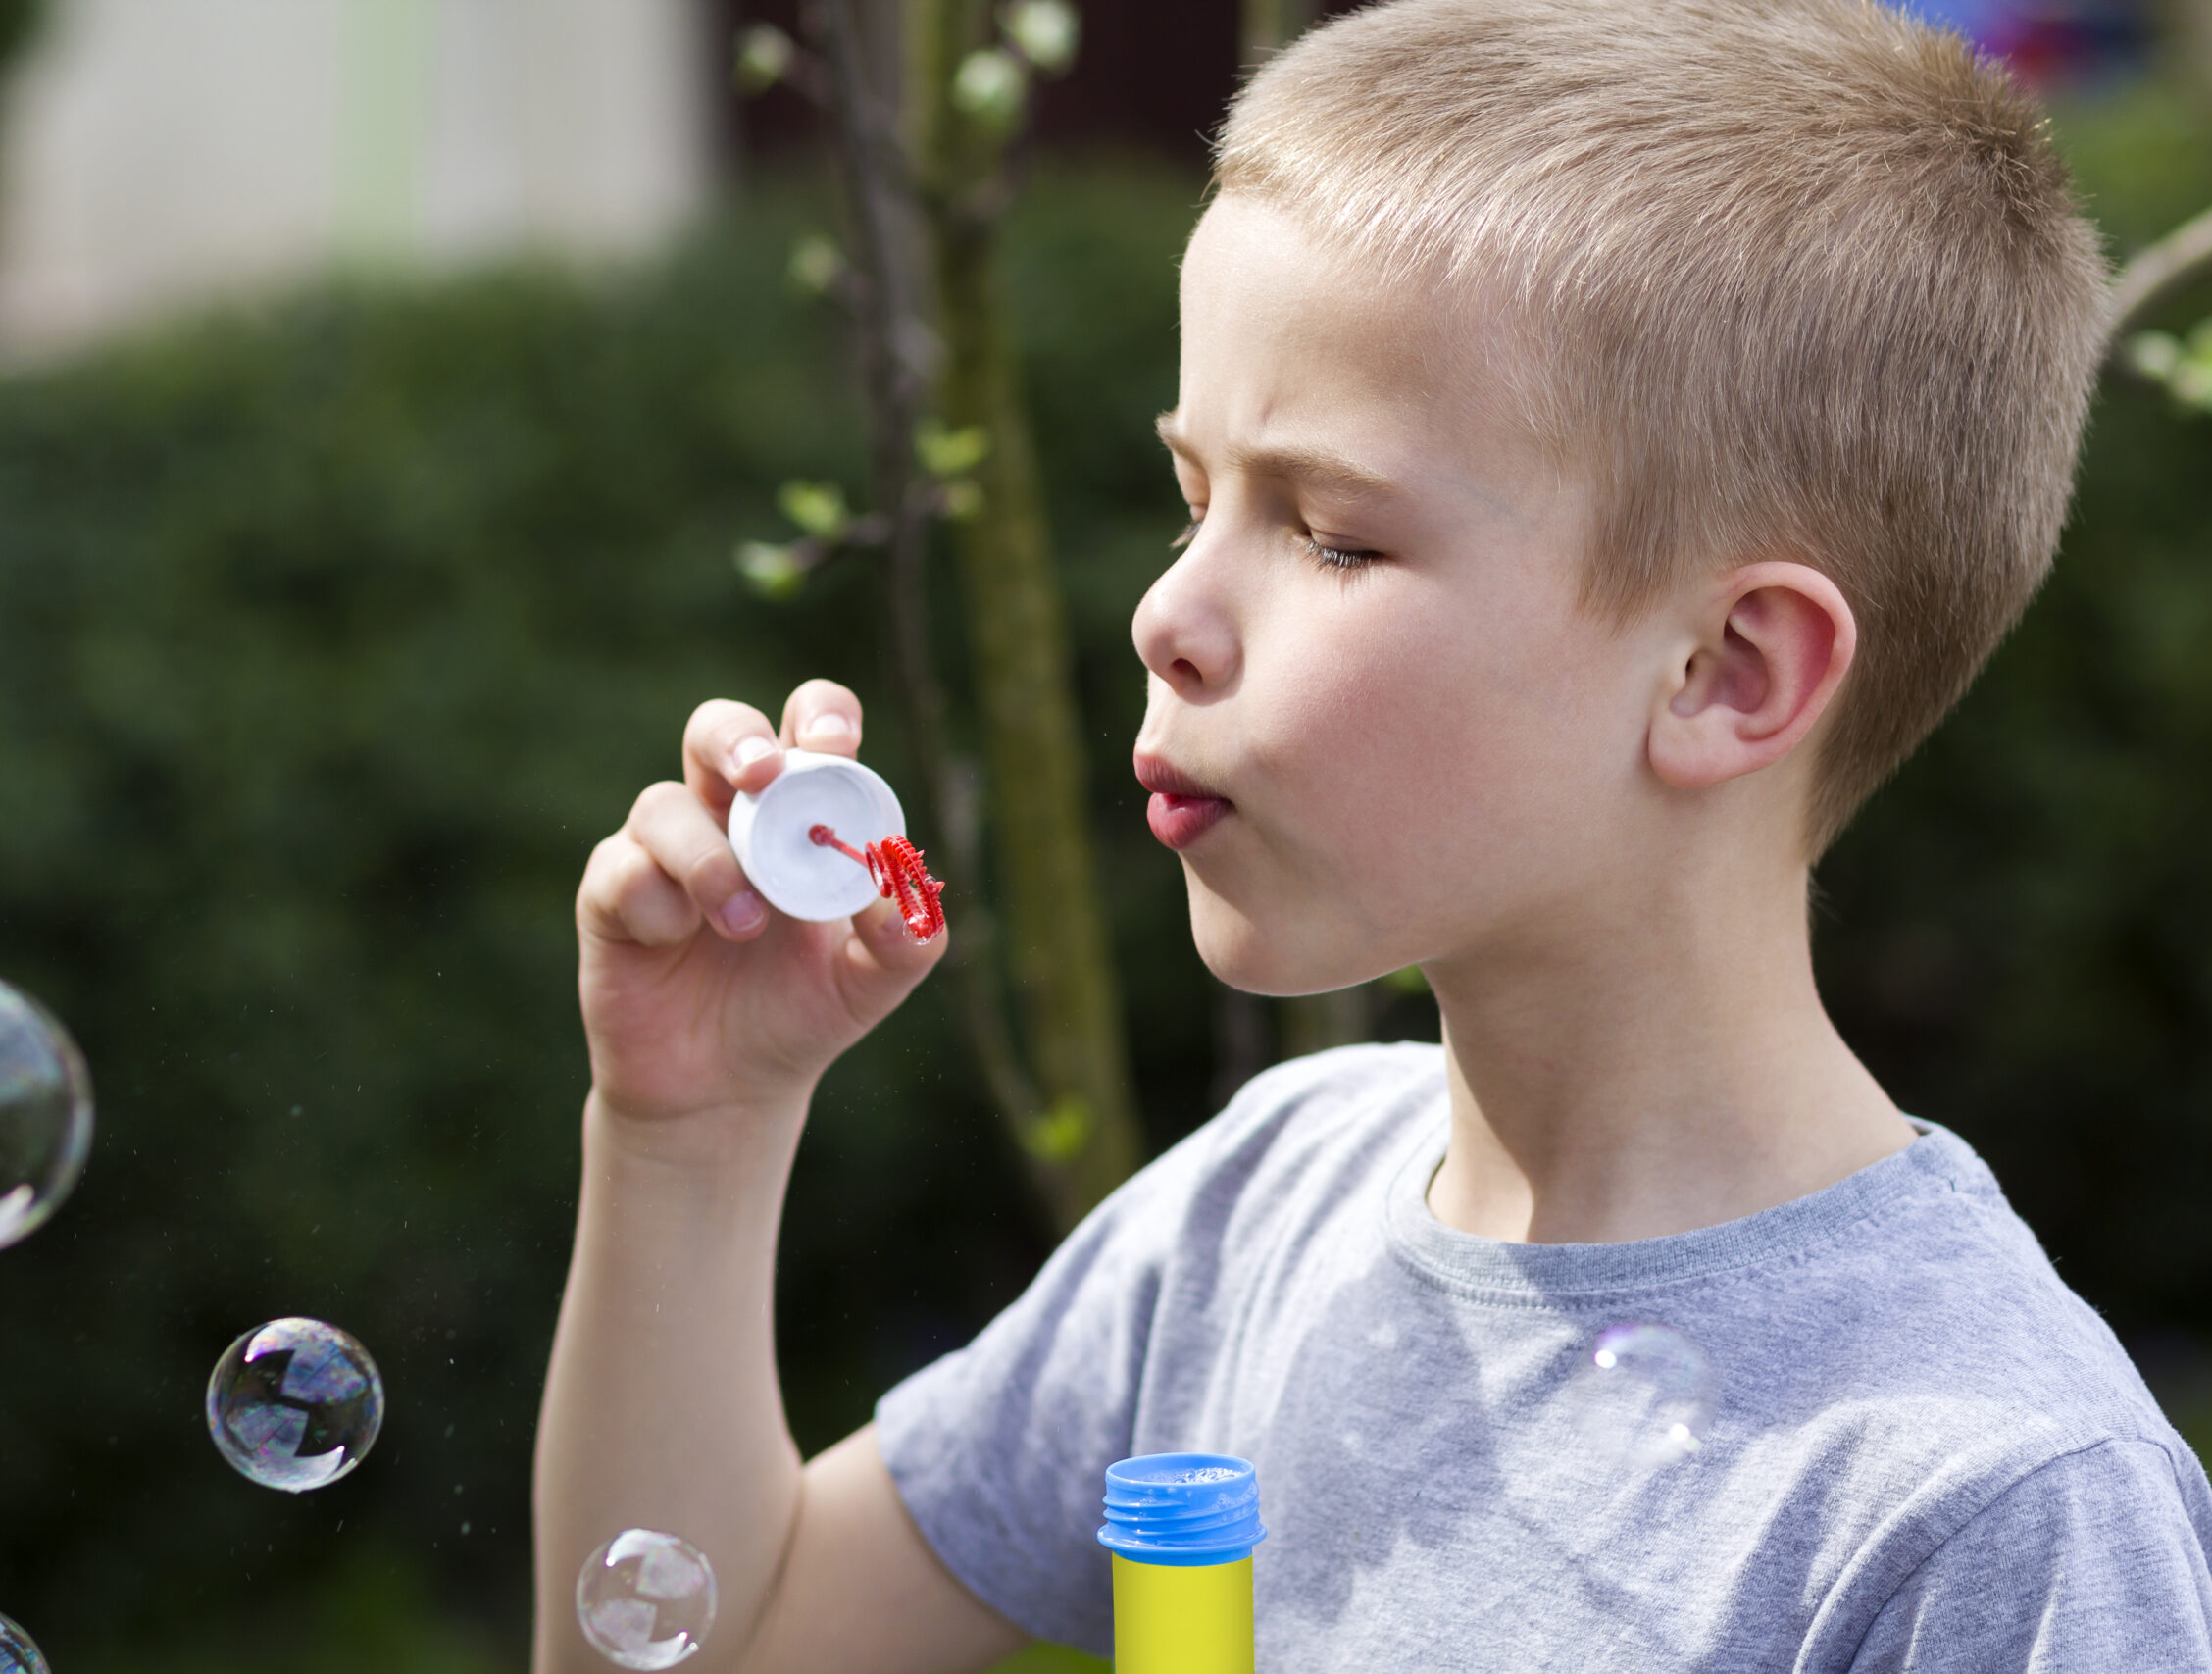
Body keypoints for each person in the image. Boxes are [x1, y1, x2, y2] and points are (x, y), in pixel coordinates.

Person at [534, 0, 2212, 1666]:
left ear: (1723, 672)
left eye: (1330, 534)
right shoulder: (1257, 1219)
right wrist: (692, 1129)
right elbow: (713, 1653)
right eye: (1195, 501)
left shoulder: (1997, 1510)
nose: (1168, 615)